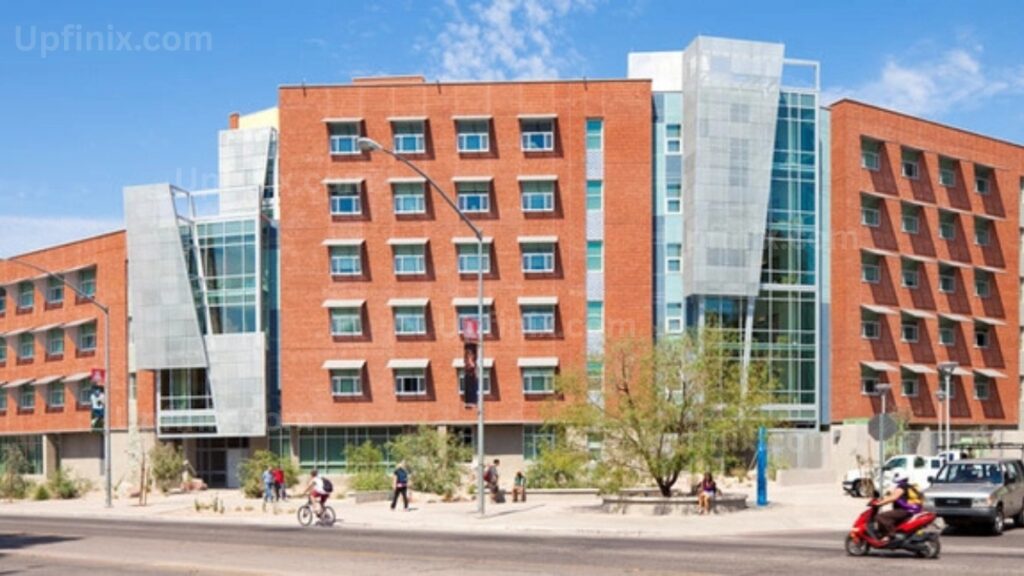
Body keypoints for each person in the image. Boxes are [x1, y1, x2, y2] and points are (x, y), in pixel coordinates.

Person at [874, 473, 923, 540]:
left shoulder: (902, 486)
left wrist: (879, 504)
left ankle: (890, 535)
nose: (894, 477)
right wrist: (882, 500)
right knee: (888, 517)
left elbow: (894, 497)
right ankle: (883, 535)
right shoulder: (908, 486)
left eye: (896, 475)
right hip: (911, 510)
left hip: (904, 510)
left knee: (881, 516)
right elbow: (891, 496)